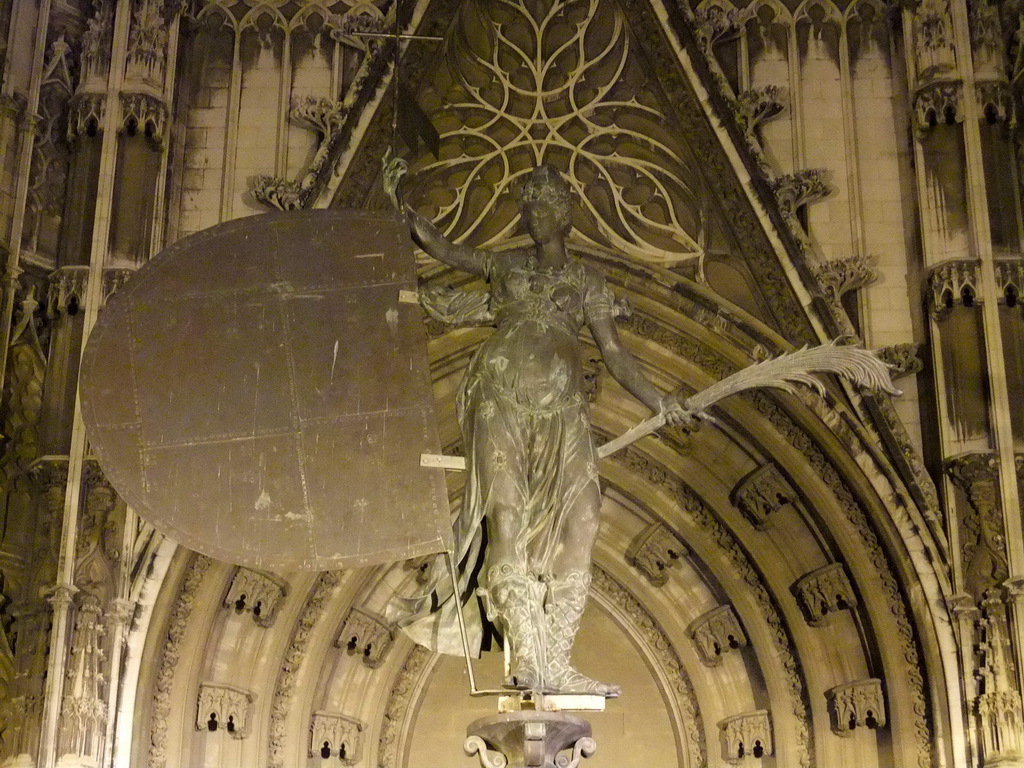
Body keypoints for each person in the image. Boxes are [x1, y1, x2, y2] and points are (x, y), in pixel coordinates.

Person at [384, 156, 686, 697]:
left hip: (564, 409)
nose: (534, 213)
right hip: (498, 394)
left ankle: (556, 660)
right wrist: (403, 210)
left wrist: (660, 400)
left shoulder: (586, 280)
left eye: (545, 203)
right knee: (506, 514)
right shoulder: (506, 267)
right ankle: (528, 655)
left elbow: (614, 353)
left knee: (585, 517)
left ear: (566, 214)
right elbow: (445, 249)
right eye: (528, 204)